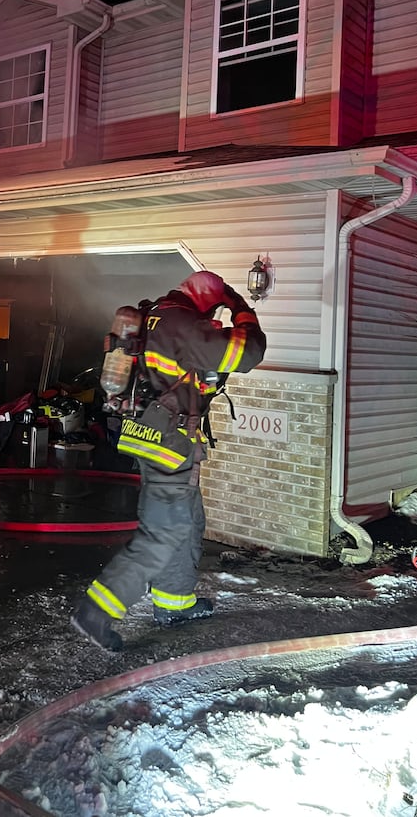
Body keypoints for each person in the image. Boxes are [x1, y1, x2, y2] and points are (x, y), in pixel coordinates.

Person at [70, 270, 266, 651]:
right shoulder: (181, 323)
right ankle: (95, 612)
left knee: (187, 521)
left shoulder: (152, 314)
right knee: (162, 533)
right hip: (168, 442)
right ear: (206, 297)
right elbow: (248, 352)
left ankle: (175, 603)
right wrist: (242, 309)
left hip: (150, 434)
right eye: (215, 302)